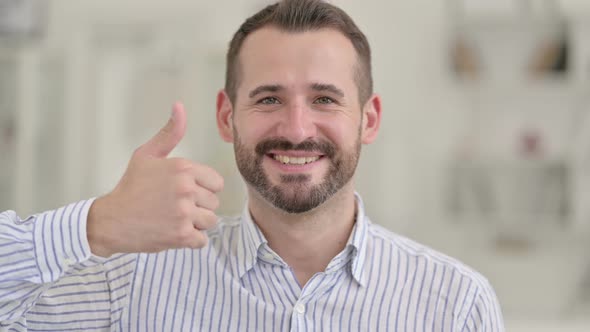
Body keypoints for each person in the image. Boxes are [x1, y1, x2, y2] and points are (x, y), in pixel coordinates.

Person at [0, 0, 504, 330]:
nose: (298, 128)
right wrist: (96, 225)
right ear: (227, 116)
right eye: (269, 99)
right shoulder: (134, 280)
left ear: (368, 120)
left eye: (325, 99)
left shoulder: (453, 305)